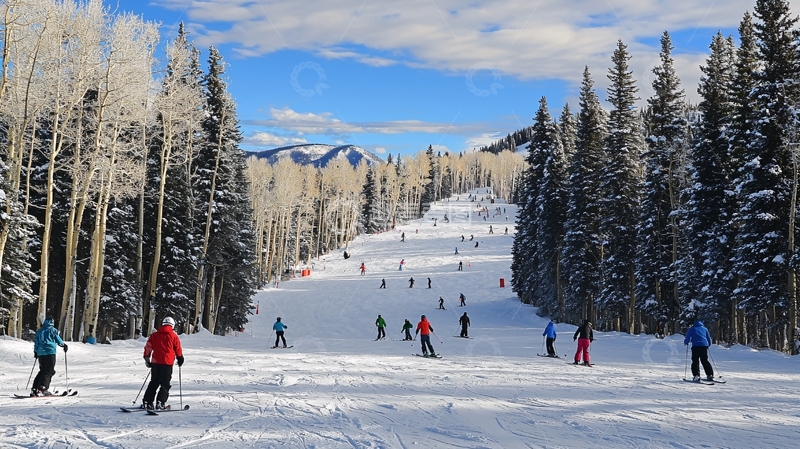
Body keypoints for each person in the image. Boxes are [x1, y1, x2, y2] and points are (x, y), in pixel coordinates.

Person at [142, 317, 184, 410]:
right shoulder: (174, 336)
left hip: (155, 363)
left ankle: (147, 402)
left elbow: (148, 346)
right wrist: (180, 358)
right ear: (172, 325)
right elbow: (178, 349)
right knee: (165, 383)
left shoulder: (154, 335)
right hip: (167, 363)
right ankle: (160, 402)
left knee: (154, 382)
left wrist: (147, 357)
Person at [31, 318, 68, 396]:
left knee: (42, 370)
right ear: (52, 322)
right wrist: (63, 345)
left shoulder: (39, 331)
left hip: (41, 353)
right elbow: (58, 339)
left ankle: (35, 388)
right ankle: (43, 388)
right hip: (50, 352)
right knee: (49, 371)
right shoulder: (53, 330)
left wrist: (36, 352)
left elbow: (36, 342)